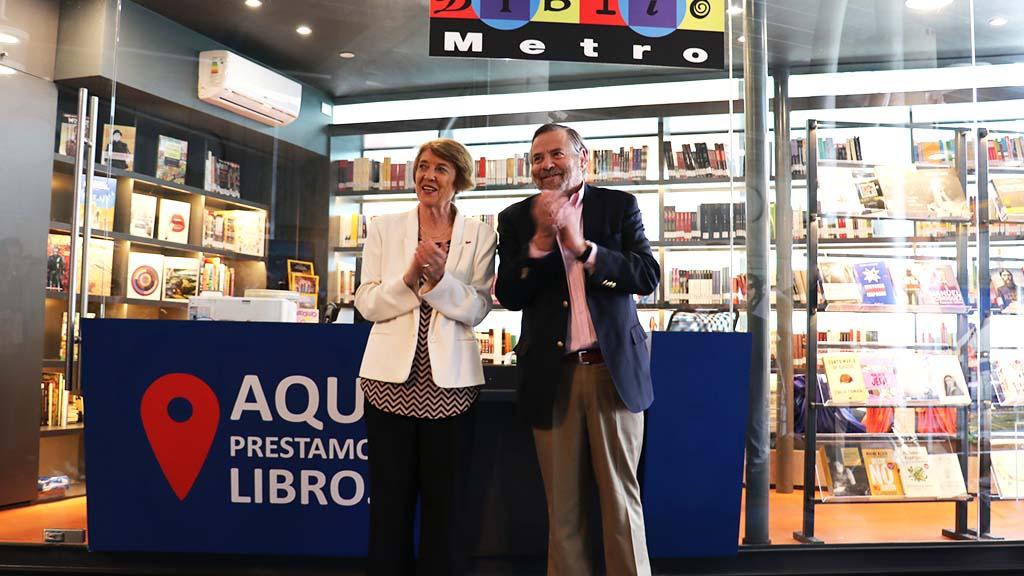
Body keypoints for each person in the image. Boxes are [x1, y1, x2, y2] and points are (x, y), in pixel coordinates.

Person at [495, 124, 659, 576]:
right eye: (536, 158)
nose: (546, 165)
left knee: (622, 503)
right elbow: (509, 294)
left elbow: (646, 275)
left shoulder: (618, 207)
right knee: (562, 509)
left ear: (582, 157)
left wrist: (583, 248)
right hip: (553, 377)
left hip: (613, 374)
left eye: (556, 155)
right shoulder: (514, 219)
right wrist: (540, 245)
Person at [354, 138, 497, 575]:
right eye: (421, 167)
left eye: (440, 169)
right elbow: (368, 303)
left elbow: (476, 308)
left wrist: (437, 283)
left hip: (450, 388)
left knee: (447, 507)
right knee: (390, 505)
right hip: (387, 385)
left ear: (459, 179)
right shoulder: (384, 226)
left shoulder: (481, 233)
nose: (427, 176)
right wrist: (411, 276)